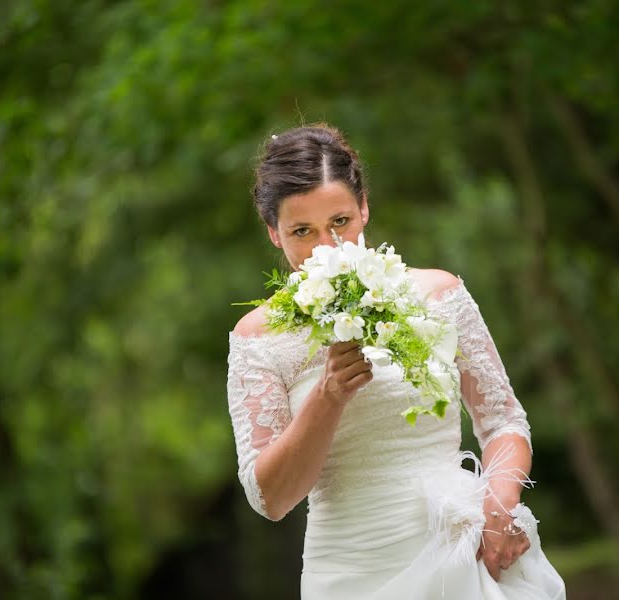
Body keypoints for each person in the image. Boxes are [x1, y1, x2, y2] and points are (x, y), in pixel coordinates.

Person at [227, 124, 566, 599]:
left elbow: (504, 420)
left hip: (457, 557)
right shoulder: (258, 339)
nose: (327, 247)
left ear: (364, 208)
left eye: (340, 222)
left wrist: (497, 507)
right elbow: (272, 498)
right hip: (348, 571)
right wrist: (329, 396)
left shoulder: (440, 294)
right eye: (302, 231)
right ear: (273, 234)